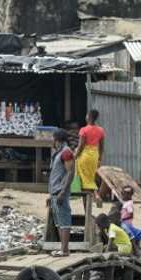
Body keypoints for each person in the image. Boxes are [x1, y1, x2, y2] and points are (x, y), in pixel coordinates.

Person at [48, 128, 75, 257]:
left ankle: (65, 250)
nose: (52, 141)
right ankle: (62, 249)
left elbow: (70, 172)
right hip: (55, 191)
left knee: (64, 220)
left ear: (57, 140)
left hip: (60, 191)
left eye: (53, 138)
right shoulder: (59, 152)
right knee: (59, 221)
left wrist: (63, 192)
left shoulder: (66, 152)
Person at [74, 109, 105, 198]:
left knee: (84, 182)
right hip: (94, 156)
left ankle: (89, 203)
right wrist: (99, 158)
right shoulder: (101, 130)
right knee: (90, 179)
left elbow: (81, 146)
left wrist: (75, 156)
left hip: (84, 156)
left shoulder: (83, 130)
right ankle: (96, 194)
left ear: (89, 117)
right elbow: (102, 147)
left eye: (87, 115)